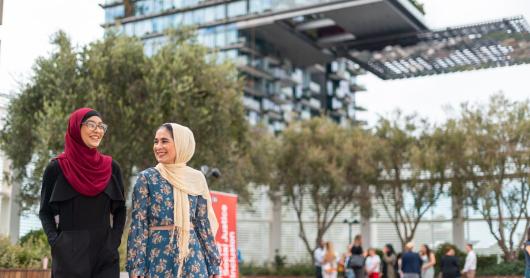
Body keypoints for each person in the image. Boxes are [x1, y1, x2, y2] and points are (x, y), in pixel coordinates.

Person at [39, 108, 126, 278]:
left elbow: (120, 209)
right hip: (68, 255)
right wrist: (57, 243)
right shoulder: (56, 168)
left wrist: (114, 241)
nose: (97, 130)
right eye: (91, 124)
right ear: (75, 128)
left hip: (105, 255)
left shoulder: (111, 167)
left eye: (101, 126)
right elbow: (45, 212)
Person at [126, 123, 221, 277]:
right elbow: (139, 224)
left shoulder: (196, 178)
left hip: (193, 259)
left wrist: (213, 264)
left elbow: (203, 224)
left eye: (164, 141)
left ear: (181, 144)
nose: (158, 146)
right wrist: (136, 267)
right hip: (158, 259)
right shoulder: (147, 178)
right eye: (156, 141)